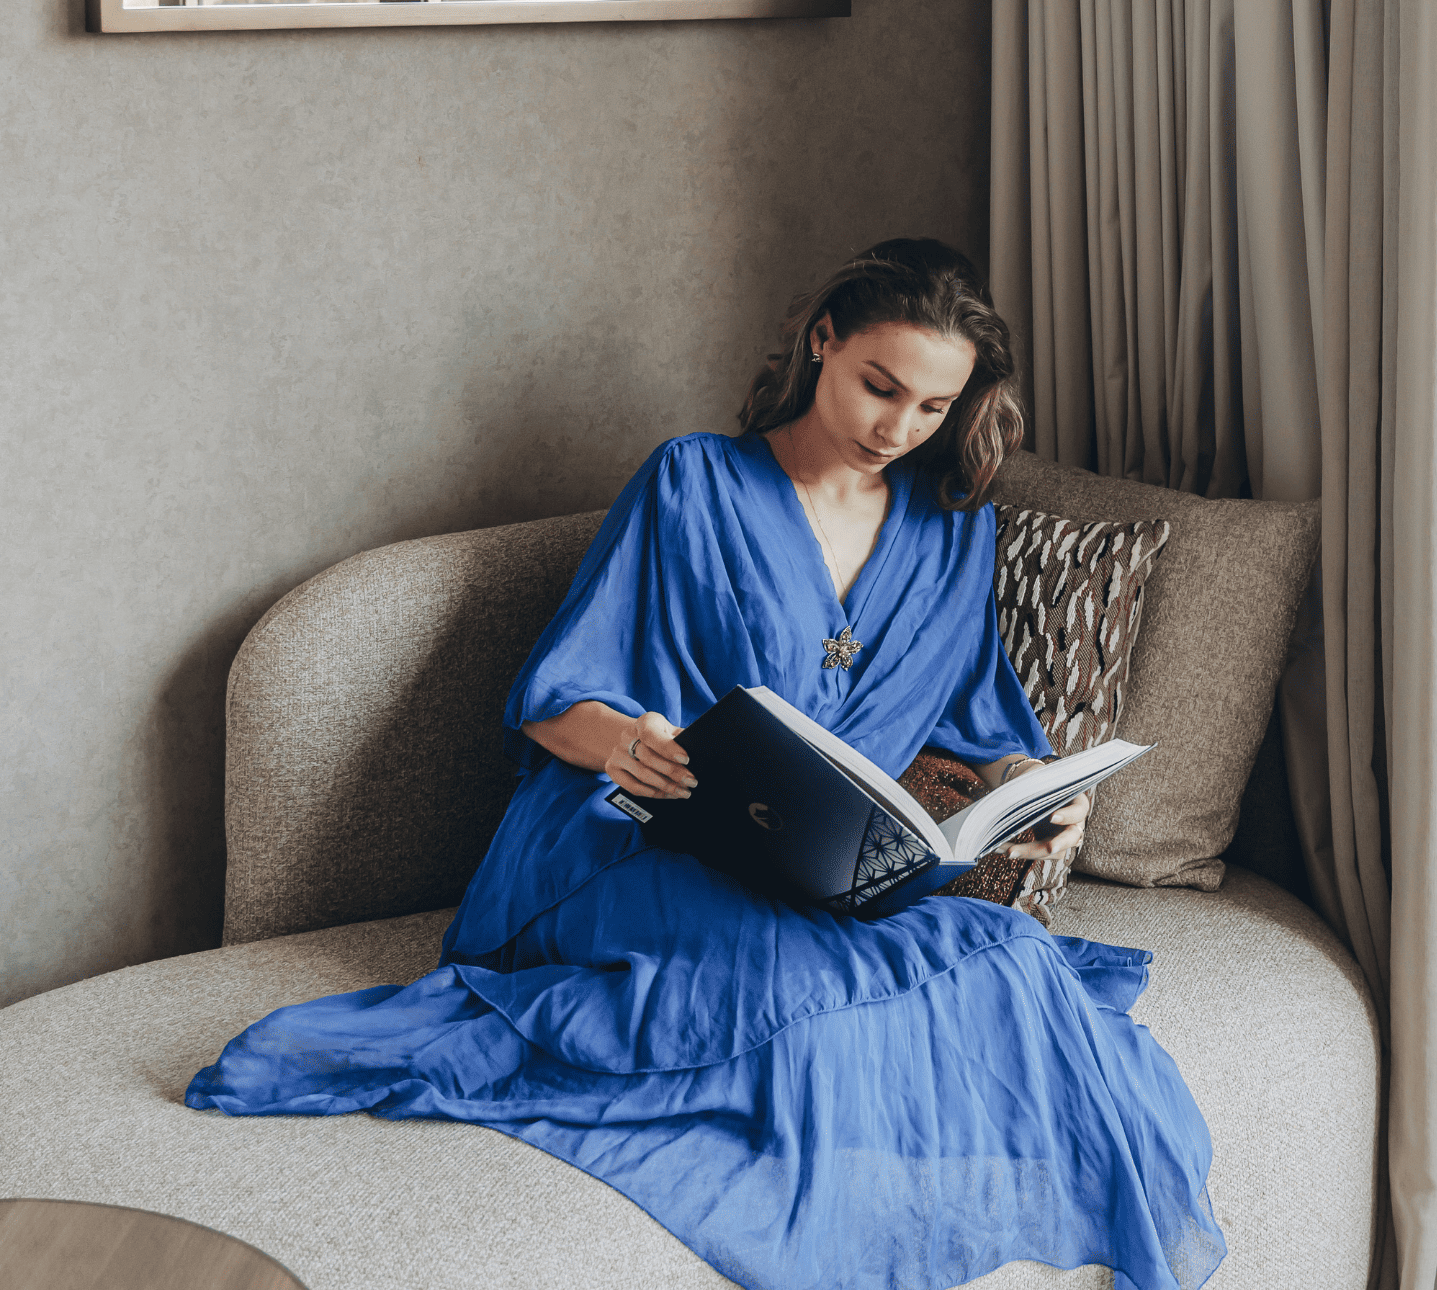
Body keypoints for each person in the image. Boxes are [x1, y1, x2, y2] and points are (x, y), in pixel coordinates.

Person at [185, 239, 1226, 1290]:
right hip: (632, 837)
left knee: (1004, 963)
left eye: (931, 408)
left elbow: (975, 714)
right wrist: (625, 741)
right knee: (808, 991)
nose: (897, 429)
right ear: (823, 340)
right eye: (879, 387)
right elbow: (554, 699)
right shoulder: (693, 481)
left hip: (817, 866)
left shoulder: (951, 529)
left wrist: (1021, 793)